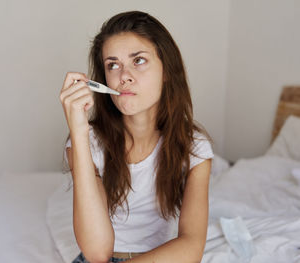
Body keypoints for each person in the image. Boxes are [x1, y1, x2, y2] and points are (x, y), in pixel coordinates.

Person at [59, 10, 214, 263]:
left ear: (166, 70)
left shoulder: (194, 148)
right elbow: (97, 253)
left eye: (138, 60)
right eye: (113, 65)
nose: (124, 77)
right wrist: (78, 132)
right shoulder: (88, 143)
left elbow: (192, 247)